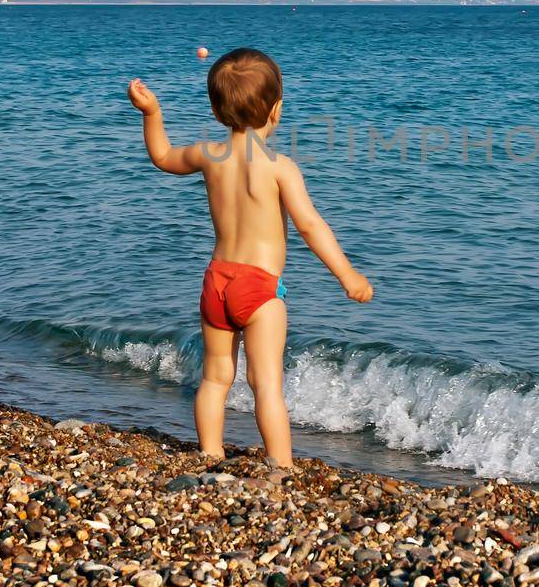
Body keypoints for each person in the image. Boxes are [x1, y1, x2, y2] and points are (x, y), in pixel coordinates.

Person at [126, 47, 372, 467]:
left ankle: (209, 451)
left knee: (216, 377)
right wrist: (347, 275)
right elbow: (311, 227)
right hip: (258, 289)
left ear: (216, 109)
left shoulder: (208, 155)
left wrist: (151, 113)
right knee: (266, 384)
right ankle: (280, 465)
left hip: (216, 281)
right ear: (276, 109)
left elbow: (163, 157)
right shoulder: (280, 167)